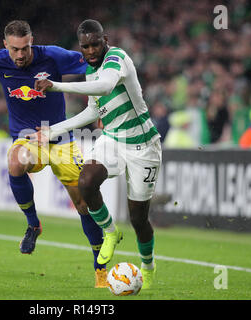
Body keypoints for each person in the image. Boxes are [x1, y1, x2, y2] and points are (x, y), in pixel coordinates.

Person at [0, 20, 109, 288]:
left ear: (32, 41)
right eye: (15, 49)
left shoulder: (53, 55)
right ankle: (33, 225)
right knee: (15, 162)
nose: (20, 55)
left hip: (61, 138)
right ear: (5, 45)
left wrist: (102, 106)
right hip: (27, 137)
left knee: (83, 205)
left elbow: (95, 64)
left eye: (25, 48)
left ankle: (100, 267)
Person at [33, 19, 162, 289]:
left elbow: (105, 87)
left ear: (106, 39)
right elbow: (94, 111)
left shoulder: (117, 58)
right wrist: (52, 130)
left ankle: (147, 266)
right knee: (86, 181)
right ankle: (110, 232)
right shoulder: (91, 71)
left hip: (143, 146)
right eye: (85, 46)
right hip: (113, 139)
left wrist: (56, 85)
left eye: (95, 44)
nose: (90, 51)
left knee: (138, 218)